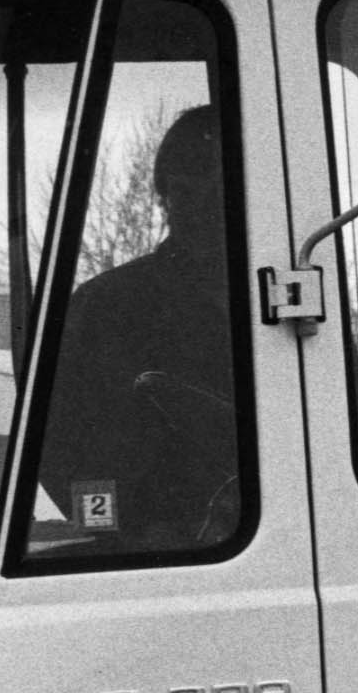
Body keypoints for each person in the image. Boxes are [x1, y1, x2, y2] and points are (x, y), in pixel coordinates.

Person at [35, 103, 238, 547]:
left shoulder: (305, 311)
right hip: (148, 558)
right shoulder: (102, 306)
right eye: (192, 177)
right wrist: (116, 534)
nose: (210, 196)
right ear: (164, 192)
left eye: (224, 179)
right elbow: (58, 447)